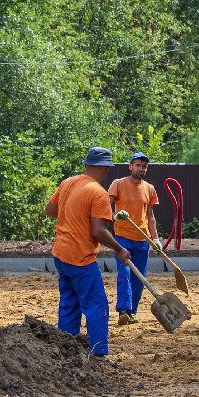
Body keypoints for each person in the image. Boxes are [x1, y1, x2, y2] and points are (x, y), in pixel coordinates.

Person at [45, 147, 130, 357]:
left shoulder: (68, 183)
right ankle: (99, 353)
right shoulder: (98, 193)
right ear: (105, 168)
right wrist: (119, 249)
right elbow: (99, 231)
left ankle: (66, 349)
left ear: (86, 164)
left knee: (69, 302)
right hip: (80, 258)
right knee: (96, 305)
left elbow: (50, 211)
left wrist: (72, 215)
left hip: (60, 253)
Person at [108, 152, 160, 325]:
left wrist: (156, 239)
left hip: (142, 238)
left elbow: (151, 216)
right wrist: (115, 216)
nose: (141, 169)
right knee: (124, 273)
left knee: (139, 278)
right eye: (138, 165)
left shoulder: (150, 188)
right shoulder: (118, 184)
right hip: (122, 237)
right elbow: (106, 206)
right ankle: (123, 309)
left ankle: (130, 312)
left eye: (144, 166)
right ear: (130, 166)